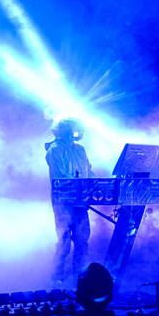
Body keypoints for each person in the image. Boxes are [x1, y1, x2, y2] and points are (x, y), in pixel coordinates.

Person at [46, 116, 93, 287]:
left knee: (82, 241)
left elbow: (89, 171)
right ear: (62, 131)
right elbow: (62, 178)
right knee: (64, 242)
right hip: (63, 204)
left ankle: (78, 279)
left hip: (80, 204)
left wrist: (96, 186)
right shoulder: (54, 151)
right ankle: (56, 279)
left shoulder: (80, 150)